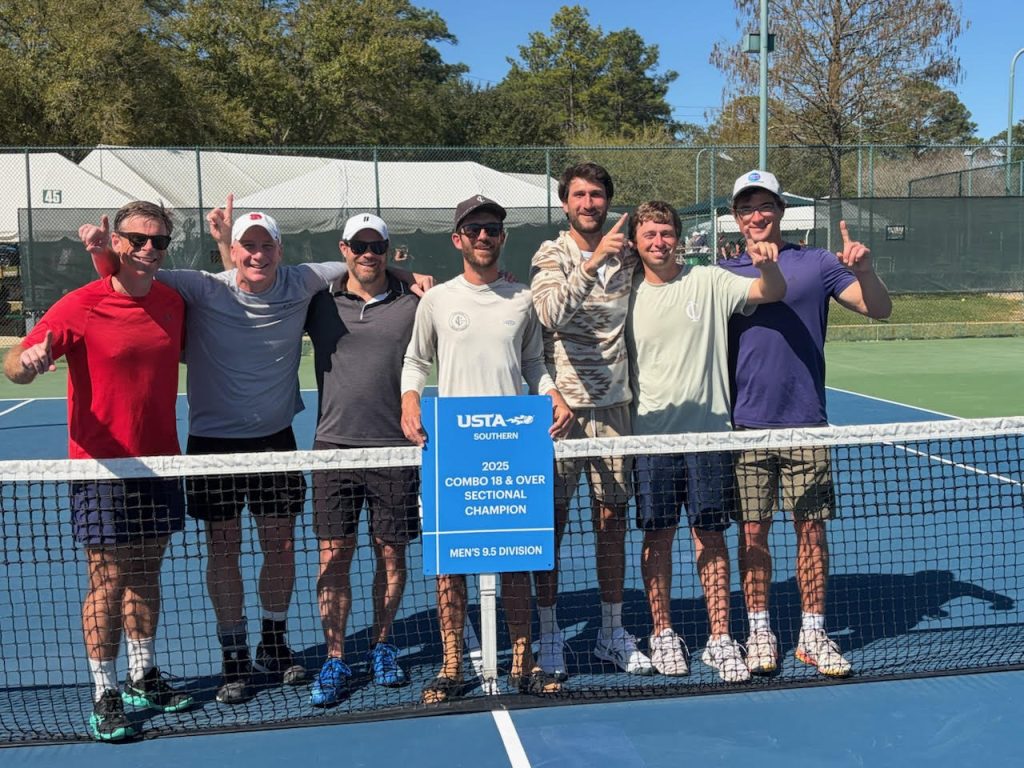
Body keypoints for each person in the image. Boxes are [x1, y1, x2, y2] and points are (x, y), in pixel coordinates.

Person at [79, 202, 351, 706]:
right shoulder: (202, 286)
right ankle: (234, 655)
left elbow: (358, 261)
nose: (257, 254)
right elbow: (136, 268)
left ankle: (273, 641)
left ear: (279, 250)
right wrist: (101, 255)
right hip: (213, 447)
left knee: (282, 546)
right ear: (233, 251)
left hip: (275, 441)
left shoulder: (302, 281)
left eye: (265, 245)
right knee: (223, 548)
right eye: (247, 245)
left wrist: (408, 271)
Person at [5, 201, 192, 741]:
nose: (148, 249)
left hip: (160, 464)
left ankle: (141, 673)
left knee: (147, 574)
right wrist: (29, 362)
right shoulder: (80, 305)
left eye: (158, 241)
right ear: (118, 242)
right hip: (100, 468)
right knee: (106, 582)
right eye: (137, 239)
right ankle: (105, 691)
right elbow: (15, 363)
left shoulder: (172, 303)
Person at [401, 195, 573, 703]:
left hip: (513, 447)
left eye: (492, 229)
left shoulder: (522, 300)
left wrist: (553, 394)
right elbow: (415, 359)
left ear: (502, 237)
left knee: (517, 558)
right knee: (450, 562)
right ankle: (452, 663)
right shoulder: (437, 301)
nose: (483, 237)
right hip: (453, 449)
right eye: (473, 229)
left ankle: (522, 661)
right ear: (458, 238)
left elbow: (535, 364)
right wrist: (411, 400)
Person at [720, 170, 892, 678]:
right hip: (744, 427)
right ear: (736, 217)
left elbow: (878, 309)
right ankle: (758, 631)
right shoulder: (722, 272)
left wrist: (866, 270)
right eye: (747, 207)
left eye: (766, 205)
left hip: (806, 425)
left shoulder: (818, 263)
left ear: (780, 210)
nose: (757, 214)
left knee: (811, 531)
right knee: (752, 532)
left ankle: (813, 634)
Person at [625, 201, 786, 682]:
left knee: (710, 536)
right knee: (657, 538)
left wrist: (768, 264)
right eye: (649, 234)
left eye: (666, 233)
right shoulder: (625, 294)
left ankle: (719, 637)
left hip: (711, 438)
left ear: (678, 237)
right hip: (649, 442)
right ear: (636, 241)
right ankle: (663, 634)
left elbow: (770, 291)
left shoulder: (710, 281)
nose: (658, 242)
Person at [530, 162, 651, 679]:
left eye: (596, 195)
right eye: (578, 195)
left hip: (616, 411)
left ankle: (609, 630)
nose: (587, 203)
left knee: (611, 524)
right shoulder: (550, 254)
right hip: (560, 416)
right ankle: (550, 631)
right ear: (564, 203)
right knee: (550, 526)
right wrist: (590, 263)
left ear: (607, 201)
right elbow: (551, 316)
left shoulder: (629, 254)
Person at [304, 213, 420, 707]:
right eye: (358, 244)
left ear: (388, 249)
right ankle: (335, 657)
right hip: (333, 448)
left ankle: (383, 644)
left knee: (391, 554)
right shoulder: (317, 301)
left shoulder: (415, 301)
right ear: (344, 247)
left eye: (376, 245)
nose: (367, 252)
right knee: (334, 556)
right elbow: (248, 288)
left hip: (395, 450)